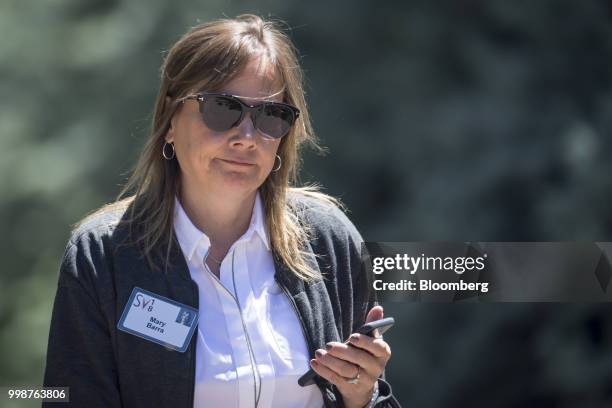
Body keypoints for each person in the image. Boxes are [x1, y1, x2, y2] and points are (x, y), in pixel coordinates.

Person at [43, 14, 400, 408]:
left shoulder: (329, 240)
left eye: (269, 116)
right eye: (221, 109)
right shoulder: (103, 254)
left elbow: (374, 399)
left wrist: (361, 395)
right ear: (170, 121)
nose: (246, 138)